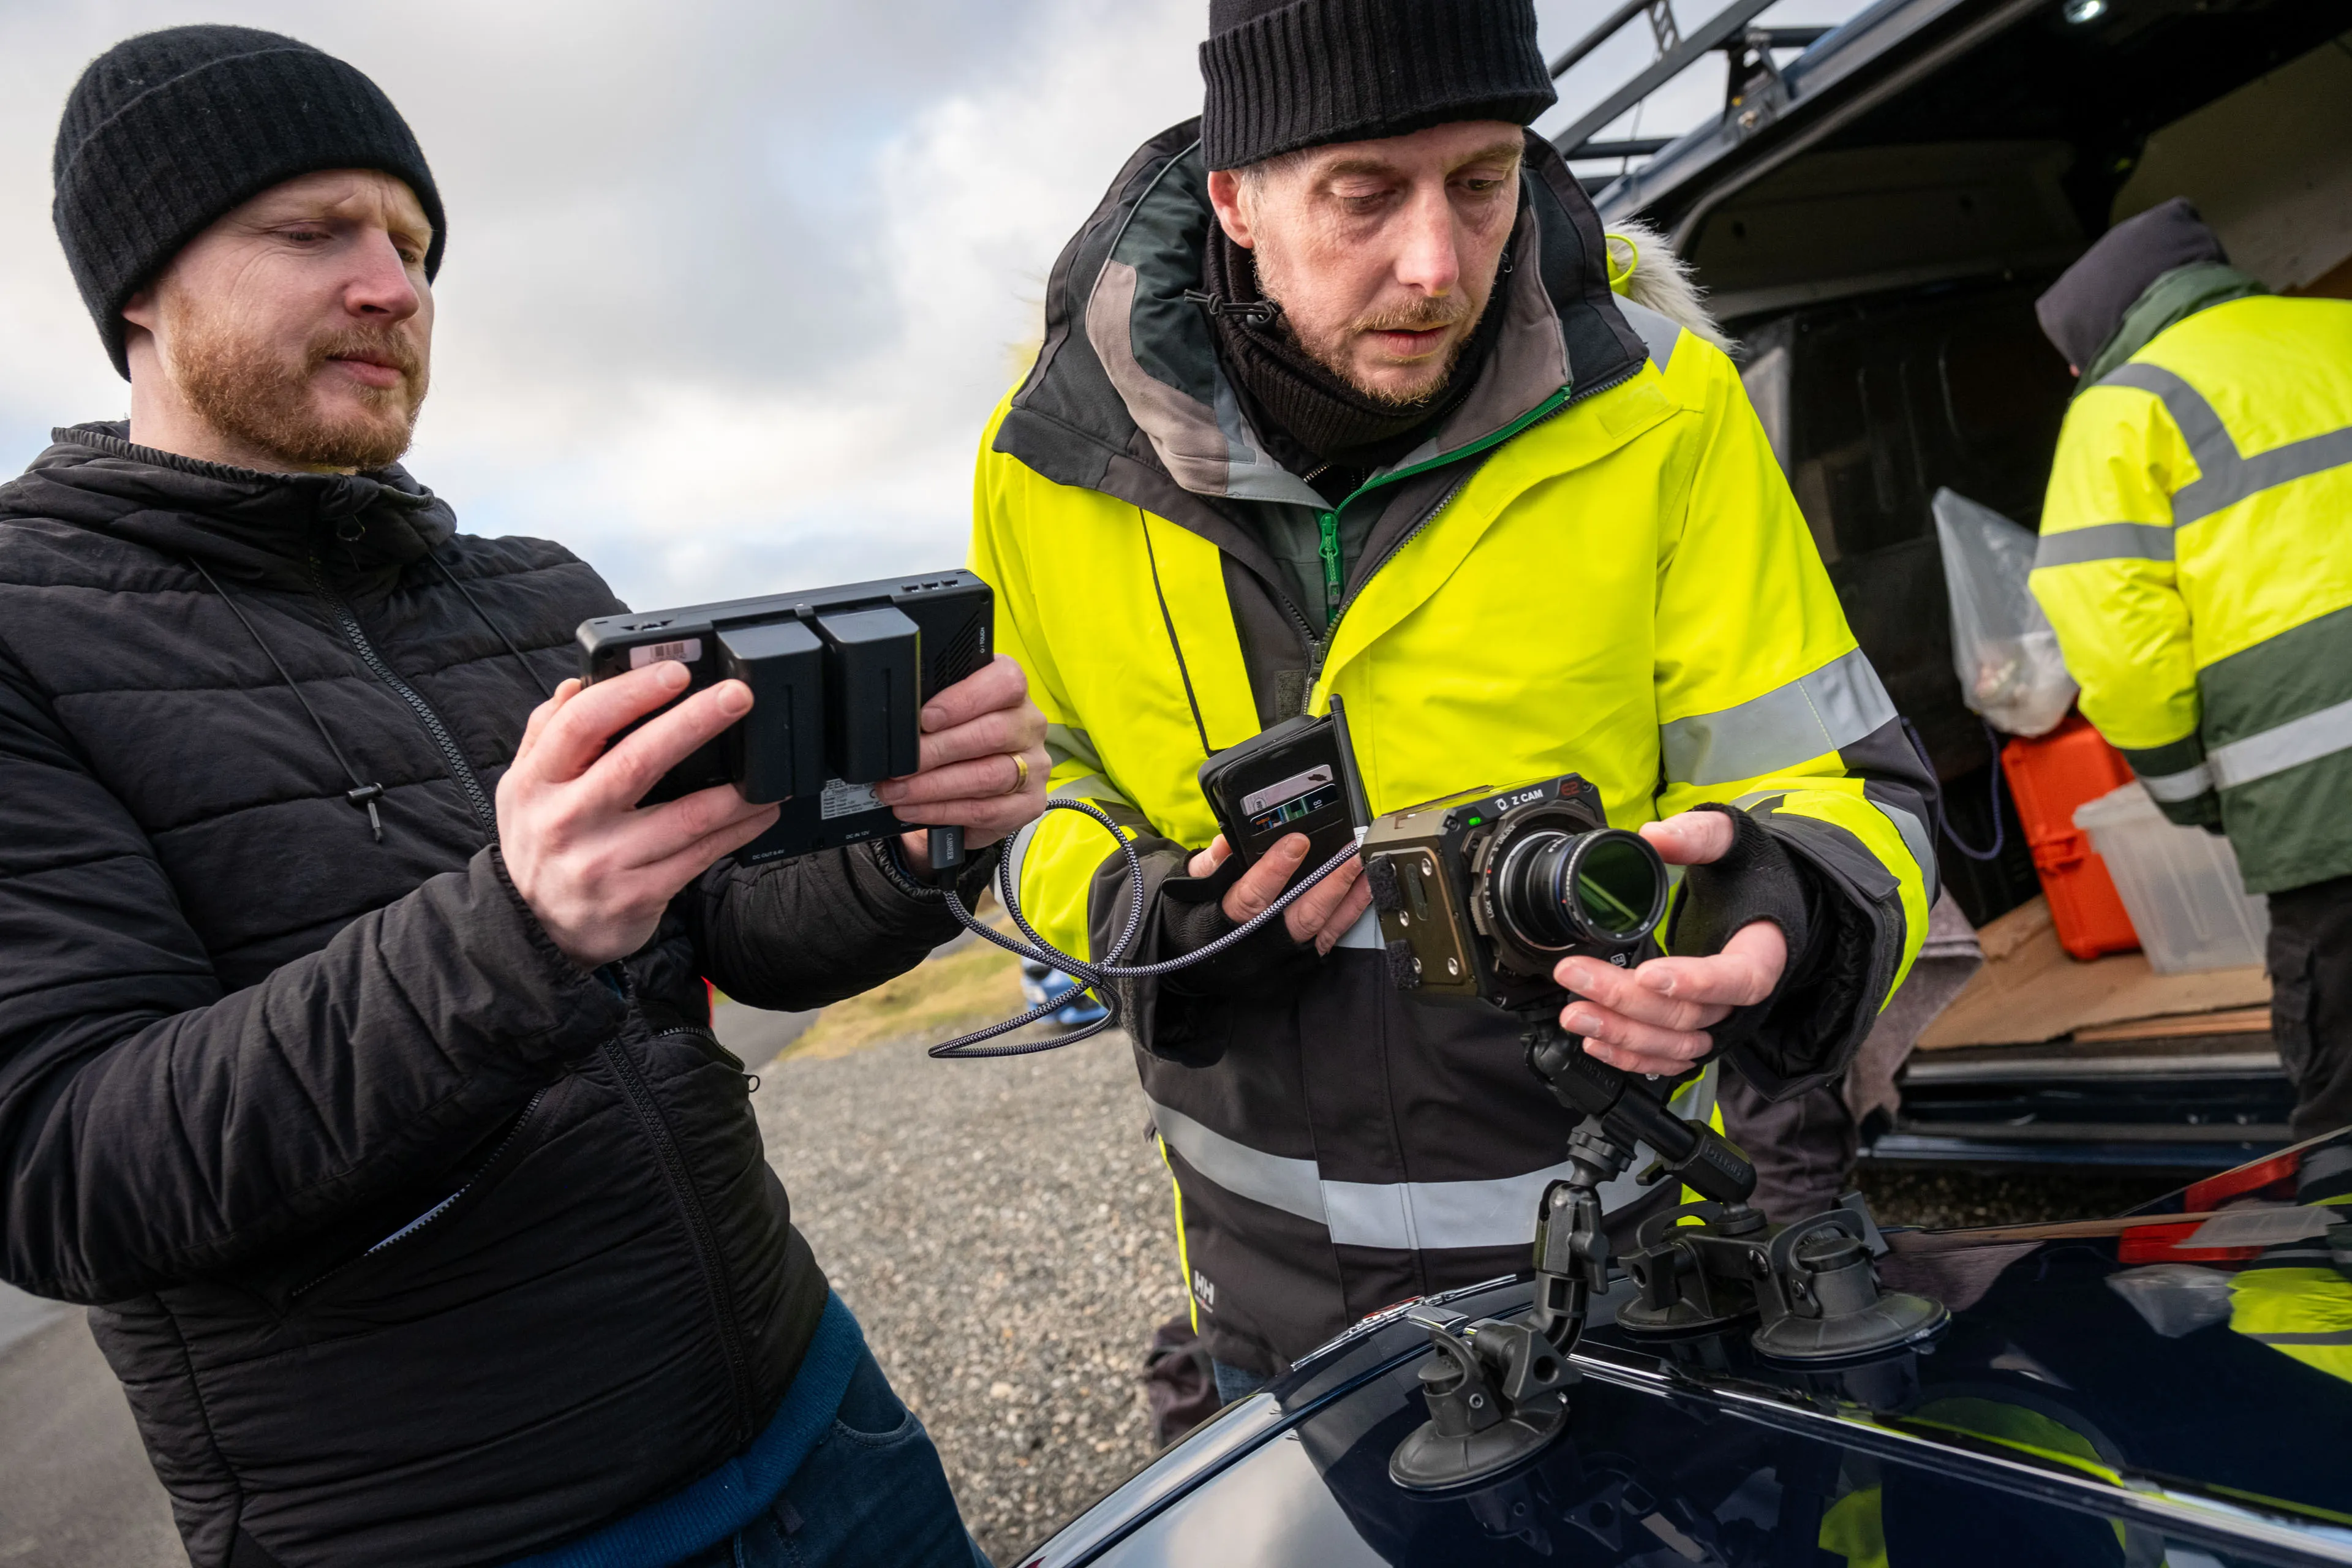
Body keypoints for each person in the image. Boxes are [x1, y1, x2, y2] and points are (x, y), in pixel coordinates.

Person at [1, 28, 1046, 1568]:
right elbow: (62, 1170)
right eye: (314, 232)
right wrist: (513, 930)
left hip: (817, 1414)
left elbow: (732, 931)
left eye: (415, 246)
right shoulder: (25, 632)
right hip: (454, 1534)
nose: (394, 286)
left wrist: (912, 843)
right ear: (136, 288)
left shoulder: (533, 591)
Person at [969, 0, 1937, 1399]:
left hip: (1619, 1293)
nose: (1436, 263)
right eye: (1365, 193)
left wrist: (1774, 913)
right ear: (1235, 198)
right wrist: (1139, 918)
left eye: (1483, 182)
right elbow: (1022, 791)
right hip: (1266, 1321)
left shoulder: (1666, 409)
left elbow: (1849, 785)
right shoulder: (1046, 458)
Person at [2028, 198, 2352, 1144]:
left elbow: (2113, 639)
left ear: (2102, 334)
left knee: (2345, 1098)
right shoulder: (2336, 325)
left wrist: (2189, 788)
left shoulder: (2122, 409)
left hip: (2323, 791)